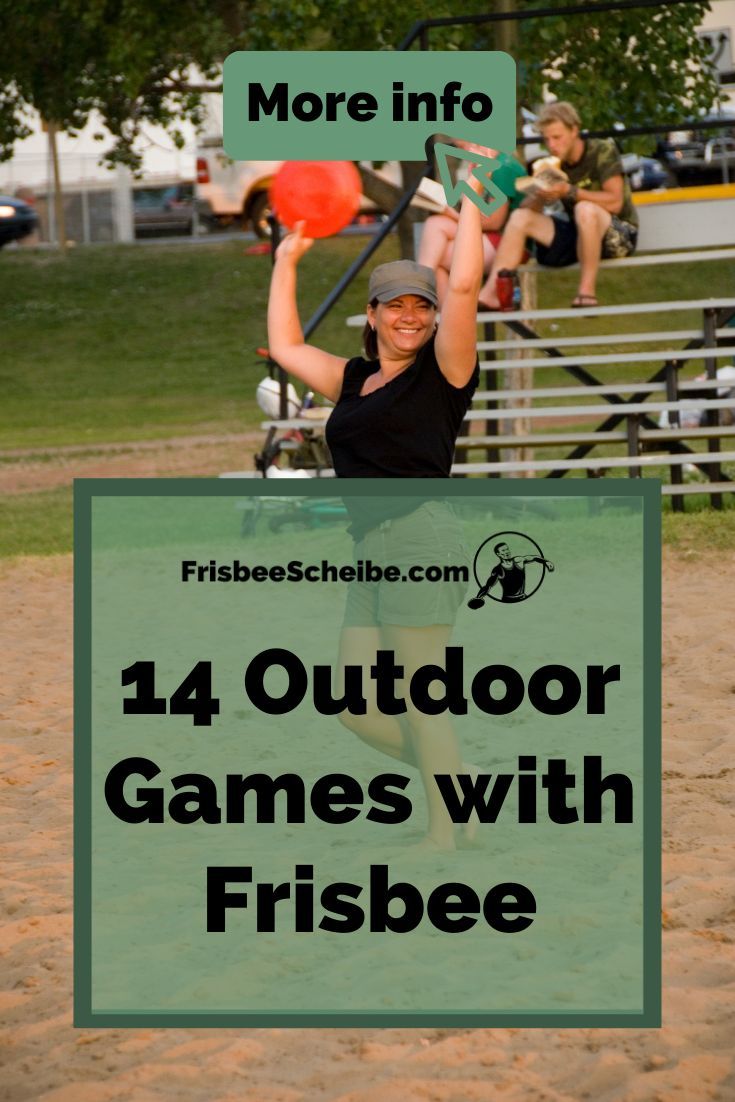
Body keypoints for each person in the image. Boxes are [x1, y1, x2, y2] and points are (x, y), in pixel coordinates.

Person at [267, 157, 489, 851]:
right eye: (395, 304)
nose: (409, 315)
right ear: (372, 315)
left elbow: (466, 281)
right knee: (356, 707)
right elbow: (285, 344)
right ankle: (458, 783)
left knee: (423, 701)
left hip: (420, 538)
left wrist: (470, 202)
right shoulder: (354, 377)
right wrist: (286, 258)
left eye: (419, 306)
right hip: (371, 552)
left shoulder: (444, 372)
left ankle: (444, 835)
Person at [482, 102, 638, 309]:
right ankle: (491, 293)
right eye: (546, 139)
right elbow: (525, 211)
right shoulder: (554, 163)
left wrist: (569, 191)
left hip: (618, 235)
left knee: (585, 209)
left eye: (557, 137)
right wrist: (540, 194)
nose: (552, 145)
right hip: (579, 234)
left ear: (574, 130)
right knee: (521, 218)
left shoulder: (601, 150)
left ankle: (586, 292)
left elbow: (615, 202)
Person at [417, 149, 526, 308]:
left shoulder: (502, 168)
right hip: (489, 236)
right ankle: (440, 303)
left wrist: (451, 214)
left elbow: (494, 222)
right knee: (435, 223)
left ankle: (426, 293)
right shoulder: (485, 165)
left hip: (507, 242)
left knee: (437, 254)